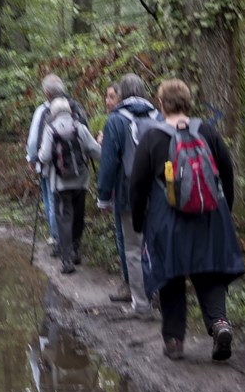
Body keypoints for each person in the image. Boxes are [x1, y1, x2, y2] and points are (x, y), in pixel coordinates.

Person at [129, 77, 244, 361]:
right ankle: (219, 324)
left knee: (171, 276)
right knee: (209, 272)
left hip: (168, 220)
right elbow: (226, 172)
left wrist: (139, 222)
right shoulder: (206, 131)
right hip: (209, 216)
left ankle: (174, 340)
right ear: (188, 102)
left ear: (161, 104)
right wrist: (223, 210)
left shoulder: (152, 137)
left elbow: (138, 185)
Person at [96, 73, 163, 315]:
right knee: (156, 246)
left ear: (122, 93)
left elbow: (109, 161)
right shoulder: (159, 116)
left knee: (134, 249)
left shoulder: (116, 121)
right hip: (159, 193)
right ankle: (161, 296)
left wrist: (103, 195)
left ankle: (141, 304)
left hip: (128, 193)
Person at [36, 94, 101, 276]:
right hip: (81, 179)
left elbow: (45, 156)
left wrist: (39, 158)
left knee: (65, 218)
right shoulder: (78, 126)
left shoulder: (50, 129)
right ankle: (76, 250)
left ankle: (67, 260)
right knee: (78, 214)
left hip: (60, 182)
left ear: (54, 113)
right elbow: (94, 149)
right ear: (69, 111)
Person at [26, 75, 68, 257]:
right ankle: (71, 241)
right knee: (68, 204)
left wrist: (32, 158)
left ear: (47, 92)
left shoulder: (43, 110)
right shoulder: (72, 107)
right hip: (72, 167)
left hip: (48, 165)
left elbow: (34, 139)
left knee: (51, 201)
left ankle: (57, 240)